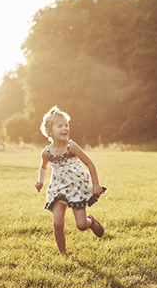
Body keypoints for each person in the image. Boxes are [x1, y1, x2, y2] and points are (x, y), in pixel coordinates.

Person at [35, 106, 106, 256]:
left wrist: (96, 183)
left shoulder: (71, 146)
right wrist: (40, 180)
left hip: (77, 188)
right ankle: (63, 254)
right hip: (59, 188)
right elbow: (44, 167)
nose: (64, 128)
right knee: (57, 222)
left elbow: (89, 163)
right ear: (49, 131)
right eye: (59, 126)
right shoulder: (46, 152)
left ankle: (91, 222)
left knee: (81, 225)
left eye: (66, 125)